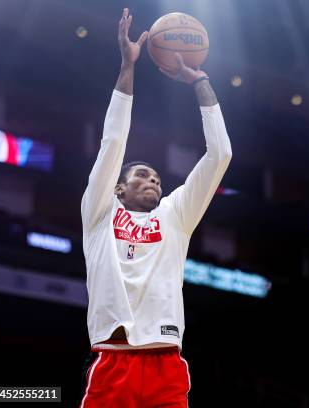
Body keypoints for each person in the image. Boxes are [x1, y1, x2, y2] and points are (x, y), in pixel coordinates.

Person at [79, 8, 232, 407]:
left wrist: (200, 83)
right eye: (143, 176)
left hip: (167, 363)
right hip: (114, 362)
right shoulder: (100, 214)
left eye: (158, 180)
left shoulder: (175, 215)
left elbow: (220, 155)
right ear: (117, 188)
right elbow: (113, 141)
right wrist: (128, 66)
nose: (154, 182)